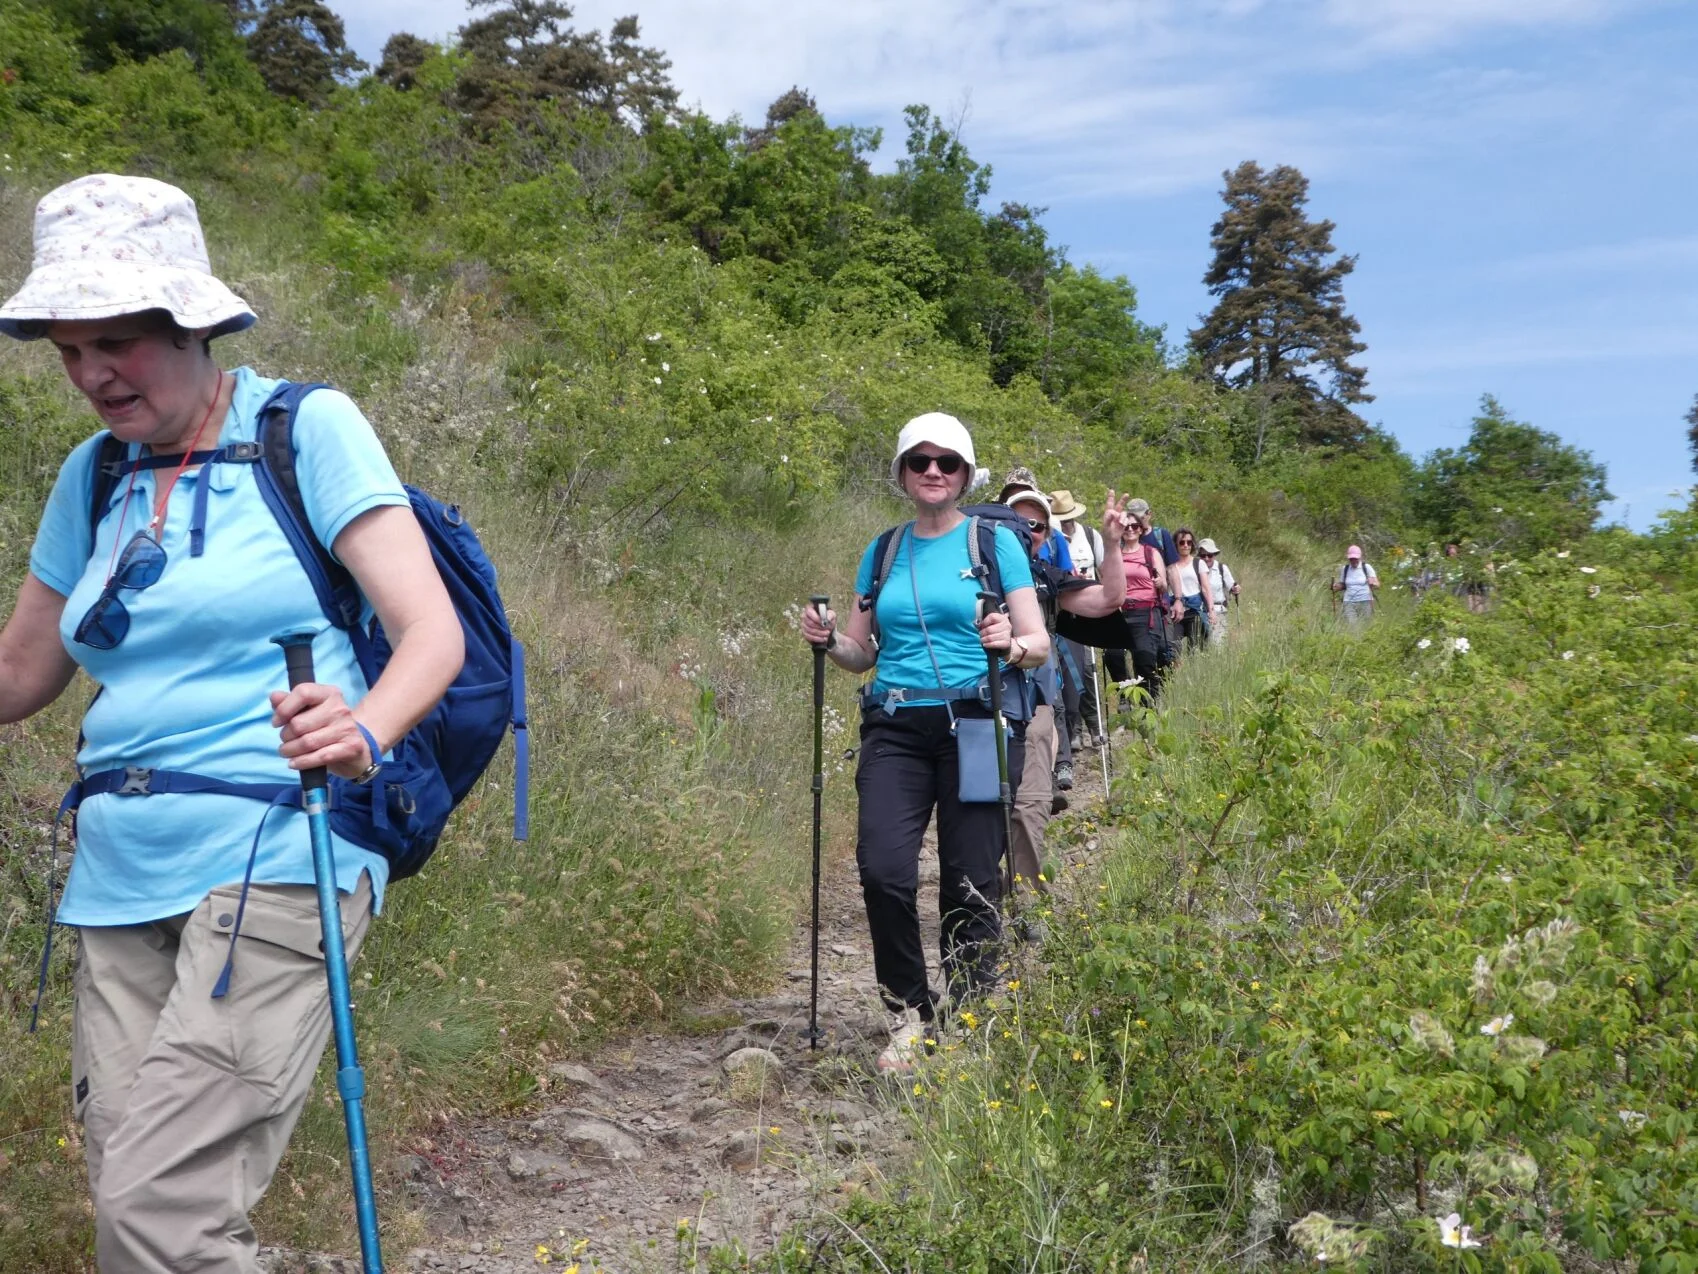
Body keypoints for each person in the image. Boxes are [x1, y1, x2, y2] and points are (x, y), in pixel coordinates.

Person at [0, 174, 464, 1271]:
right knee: (134, 1205)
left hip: (281, 852)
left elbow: (430, 631)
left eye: (117, 341)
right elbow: (21, 671)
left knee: (157, 1210)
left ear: (193, 325)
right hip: (115, 877)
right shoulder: (94, 474)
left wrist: (364, 727)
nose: (92, 373)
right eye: (70, 350)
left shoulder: (305, 430)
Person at [996, 486, 1127, 903]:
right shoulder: (969, 572)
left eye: (1036, 525)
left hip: (1033, 703)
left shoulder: (1045, 576)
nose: (1026, 531)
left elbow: (1109, 598)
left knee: (1029, 805)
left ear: (1047, 535)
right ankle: (980, 894)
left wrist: (1111, 544)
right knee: (980, 808)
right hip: (974, 706)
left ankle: (1026, 902)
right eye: (1016, 523)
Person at [1050, 489, 1103, 749]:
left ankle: (1094, 725)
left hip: (1086, 610)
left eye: (1067, 517)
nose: (1065, 522)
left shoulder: (1091, 536)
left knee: (1087, 670)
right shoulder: (1050, 538)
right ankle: (1075, 730)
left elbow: (1103, 569)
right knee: (1068, 673)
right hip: (1060, 614)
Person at [1172, 528, 1214, 652]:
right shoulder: (1170, 565)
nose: (1186, 545)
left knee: (1195, 649)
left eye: (1189, 542)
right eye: (1182, 542)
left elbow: (1206, 588)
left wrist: (1211, 610)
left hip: (1194, 611)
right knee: (1173, 647)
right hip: (1175, 611)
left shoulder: (1198, 563)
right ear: (1176, 544)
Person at [1197, 537, 1239, 644]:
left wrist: (1236, 589)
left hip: (1219, 612)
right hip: (1199, 613)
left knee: (1217, 646)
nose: (1206, 558)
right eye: (1203, 555)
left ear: (1214, 554)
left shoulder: (1222, 568)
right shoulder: (1194, 569)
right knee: (1200, 646)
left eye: (1209, 555)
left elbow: (1232, 586)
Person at [1333, 544, 1379, 623]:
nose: (1353, 561)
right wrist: (1336, 586)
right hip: (1348, 601)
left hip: (1365, 600)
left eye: (1355, 558)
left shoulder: (1366, 567)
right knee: (1352, 625)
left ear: (1360, 557)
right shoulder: (1345, 569)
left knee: (1366, 624)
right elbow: (1343, 585)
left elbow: (1377, 584)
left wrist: (1373, 583)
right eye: (1351, 559)